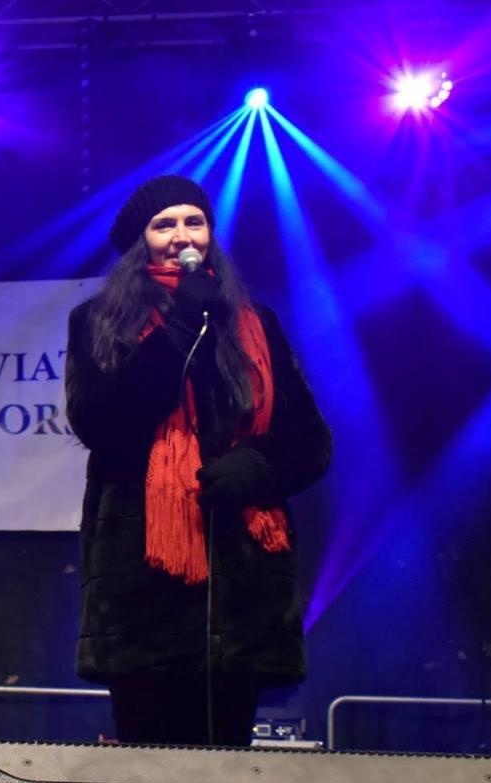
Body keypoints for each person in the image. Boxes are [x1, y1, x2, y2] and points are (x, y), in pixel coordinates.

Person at [64, 175, 332, 746]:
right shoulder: (97, 324)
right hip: (143, 590)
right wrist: (179, 323)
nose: (182, 235)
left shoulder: (256, 323)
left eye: (194, 221)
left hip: (242, 590)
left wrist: (256, 467)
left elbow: (310, 441)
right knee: (151, 770)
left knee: (226, 768)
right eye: (164, 225)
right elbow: (103, 426)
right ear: (142, 241)